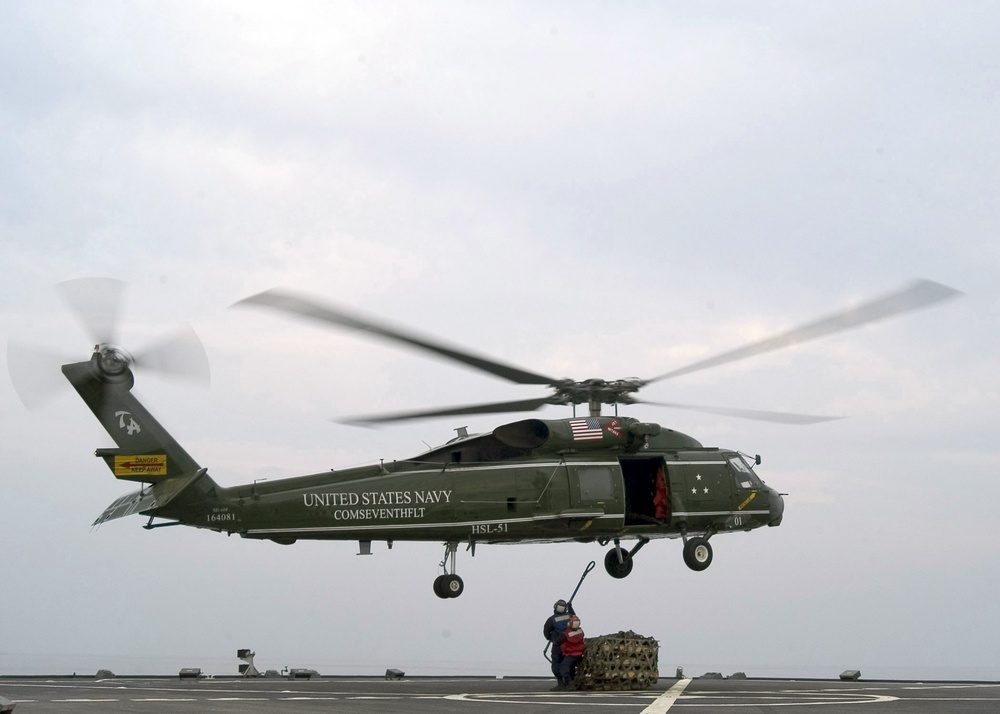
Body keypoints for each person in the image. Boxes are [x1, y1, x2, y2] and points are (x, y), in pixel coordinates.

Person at [543, 599, 573, 685]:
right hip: (570, 644)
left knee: (556, 662)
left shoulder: (552, 619)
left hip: (558, 644)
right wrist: (571, 608)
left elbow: (546, 632)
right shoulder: (570, 616)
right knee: (568, 663)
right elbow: (575, 620)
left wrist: (551, 638)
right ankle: (569, 681)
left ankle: (560, 681)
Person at [558, 615, 585, 690]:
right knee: (571, 668)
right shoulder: (580, 631)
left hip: (571, 654)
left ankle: (570, 683)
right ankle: (573, 681)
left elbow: (558, 641)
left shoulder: (566, 633)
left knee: (563, 668)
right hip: (580, 653)